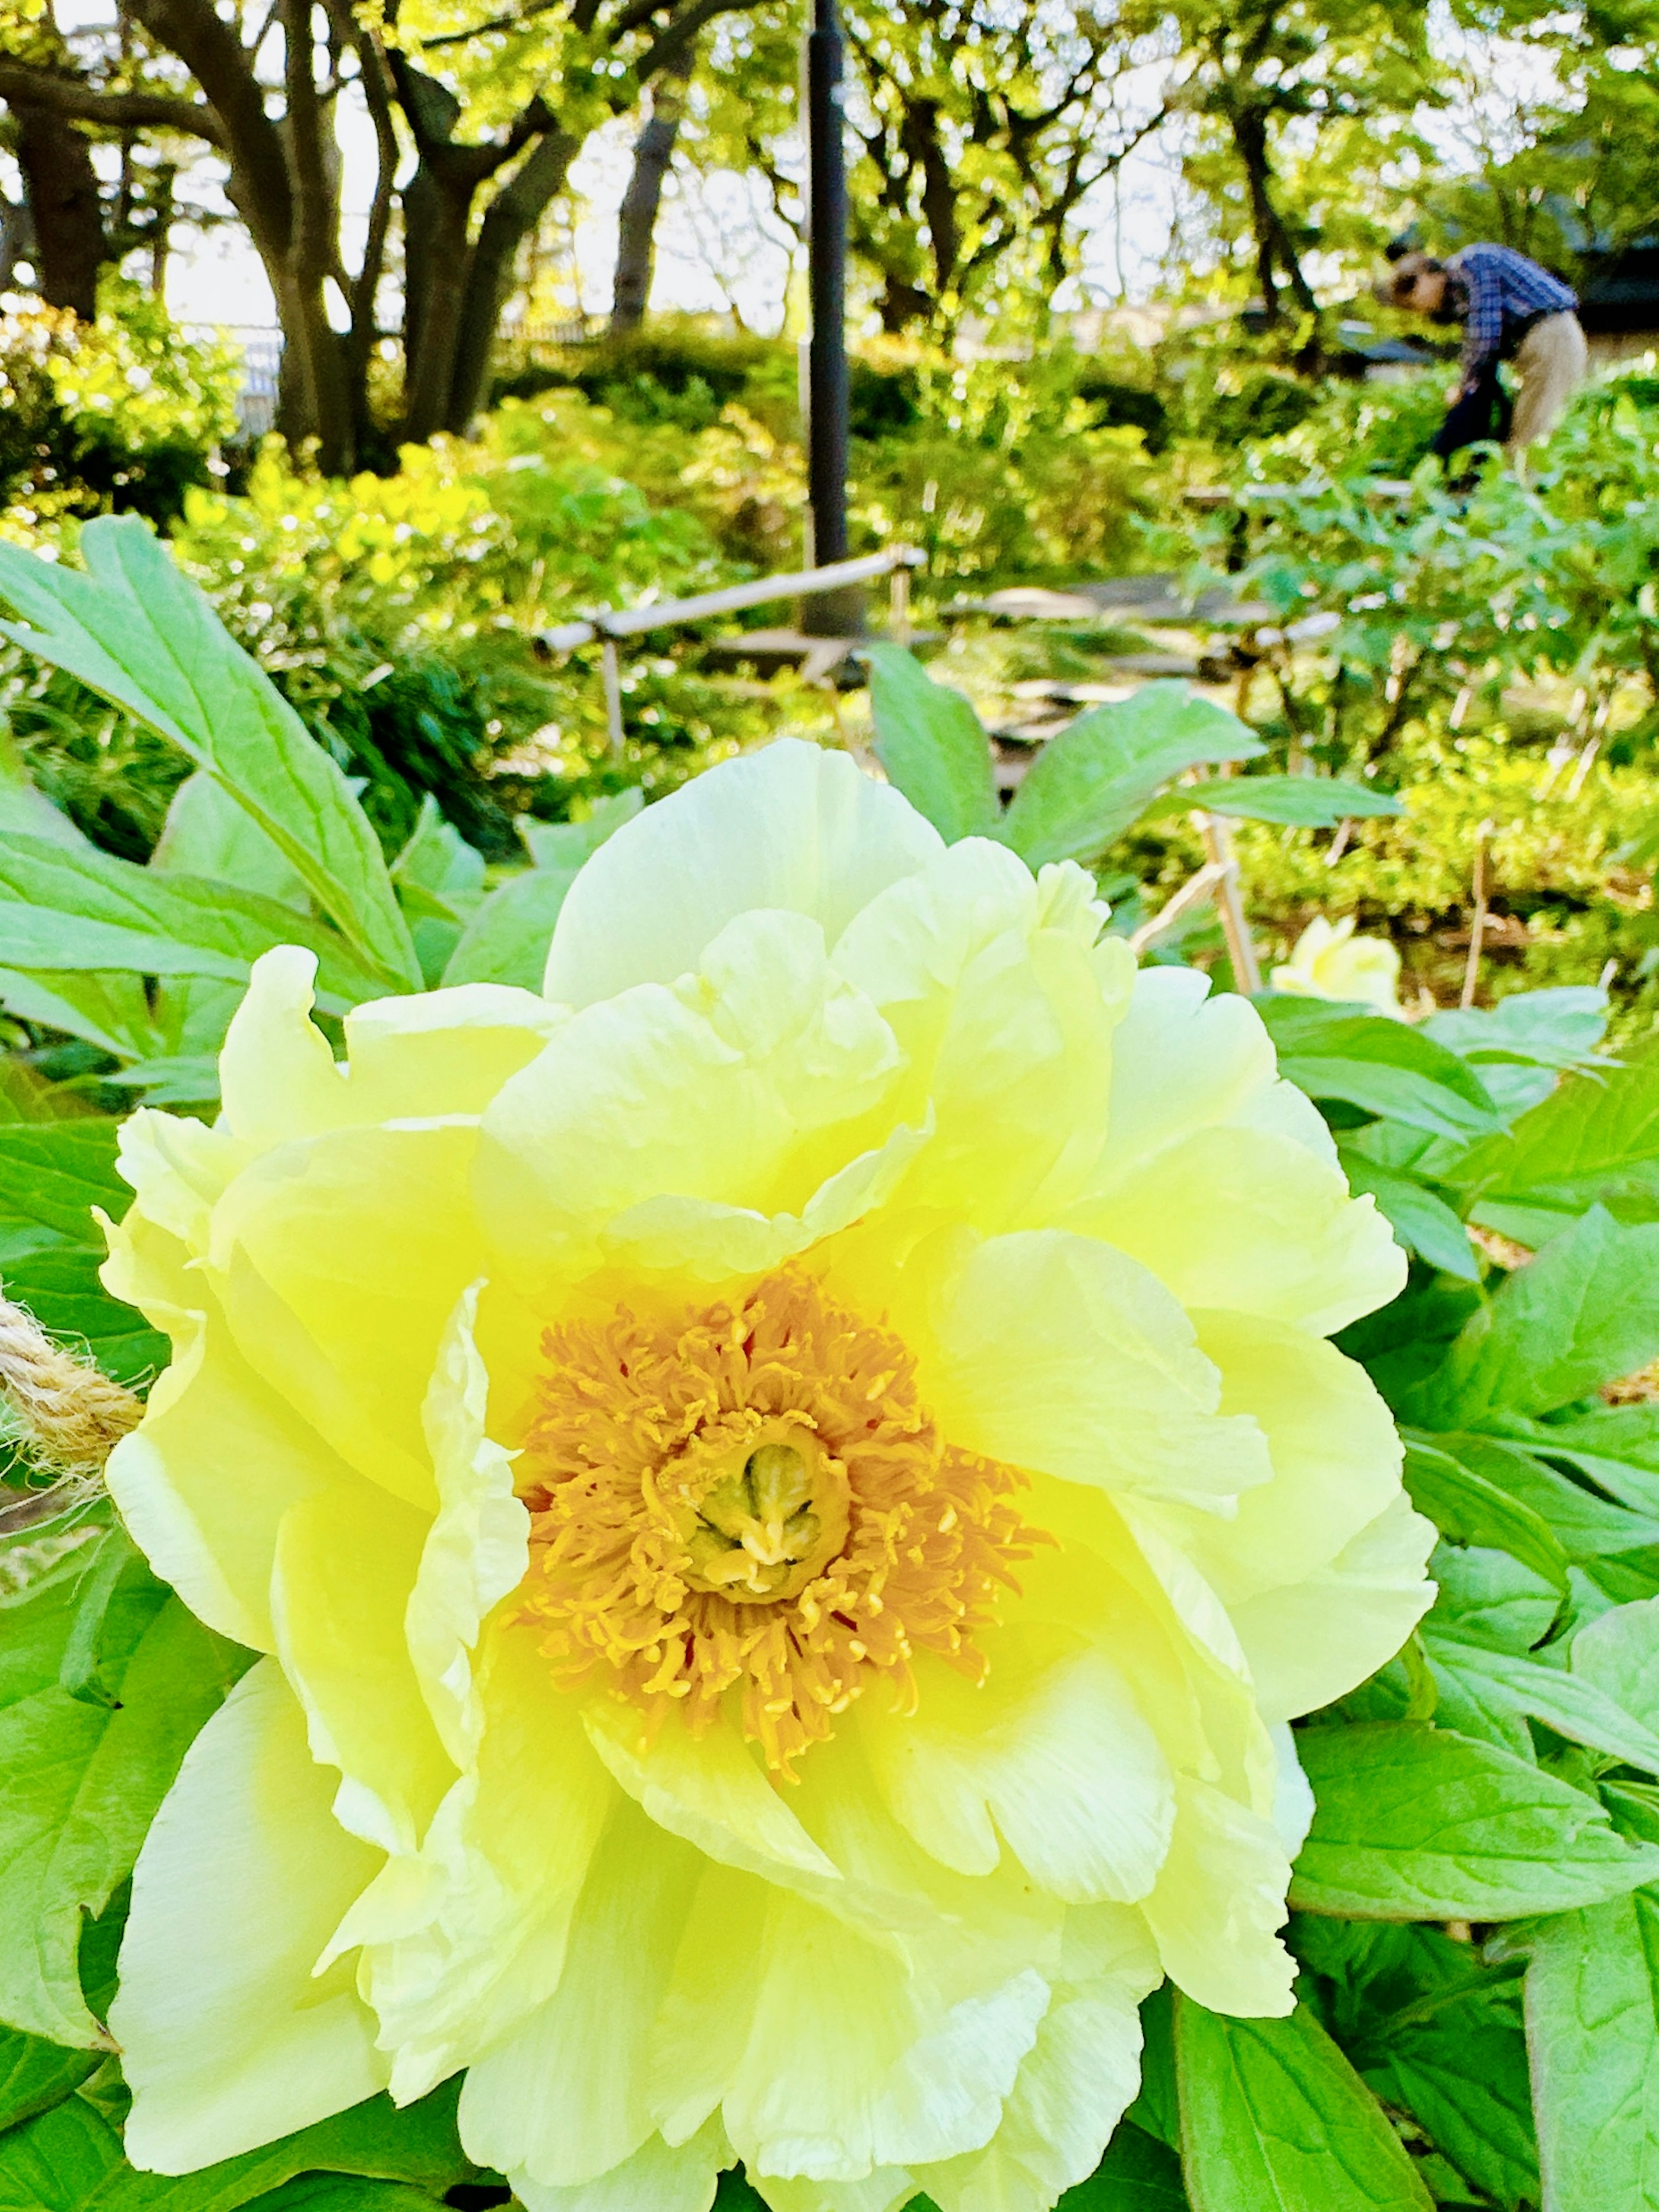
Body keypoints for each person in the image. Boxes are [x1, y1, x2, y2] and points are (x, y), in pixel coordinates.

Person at [1379, 243, 1589, 464]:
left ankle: (1529, 493)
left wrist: (1463, 387)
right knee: (1524, 431)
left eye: (1415, 301)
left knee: (1533, 436)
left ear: (1425, 277)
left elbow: (1485, 336)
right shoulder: (1458, 296)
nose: (1422, 310)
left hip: (1551, 337)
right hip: (1535, 346)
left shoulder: (1473, 265)